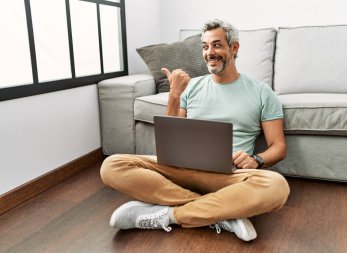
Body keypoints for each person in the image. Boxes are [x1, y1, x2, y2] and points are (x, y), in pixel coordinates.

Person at [100, 19, 290, 242]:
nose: (210, 52)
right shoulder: (192, 87)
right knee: (112, 165)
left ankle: (171, 215)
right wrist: (174, 95)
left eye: (217, 45)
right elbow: (170, 139)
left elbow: (278, 147)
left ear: (234, 48)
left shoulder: (261, 92)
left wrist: (256, 159)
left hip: (229, 175)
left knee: (277, 187)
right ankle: (221, 212)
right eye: (205, 46)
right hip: (182, 169)